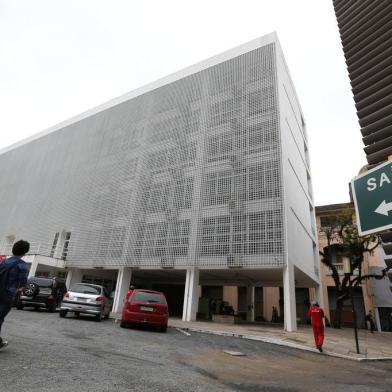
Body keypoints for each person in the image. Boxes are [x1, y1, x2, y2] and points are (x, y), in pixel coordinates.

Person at [0, 240, 29, 349]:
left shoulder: (3, 262)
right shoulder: (22, 265)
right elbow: (23, 282)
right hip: (7, 294)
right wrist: (18, 288)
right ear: (25, 252)